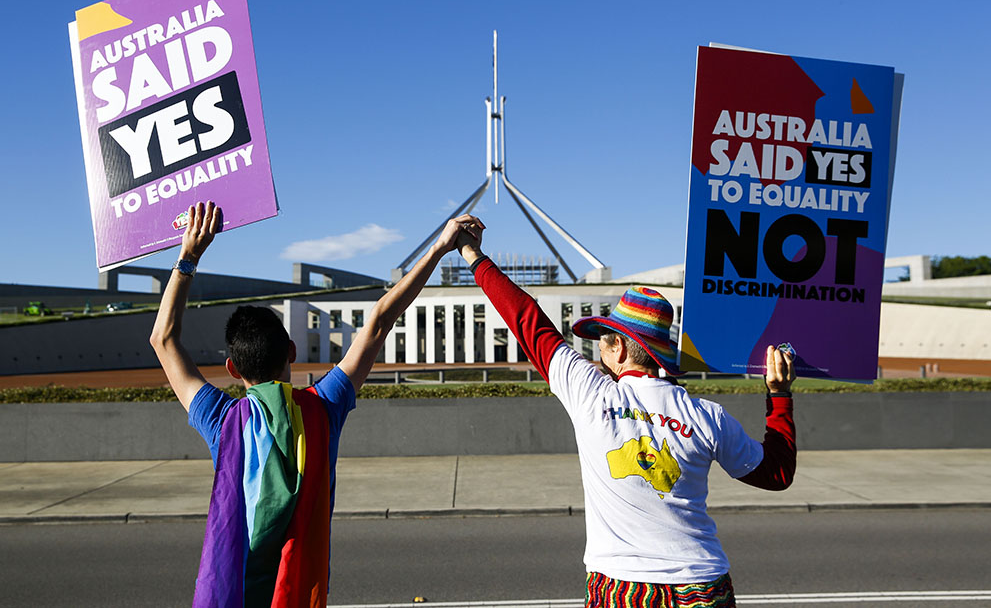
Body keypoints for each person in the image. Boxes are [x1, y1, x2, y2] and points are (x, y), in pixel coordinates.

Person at [454, 217, 795, 608]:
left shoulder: (589, 393)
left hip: (622, 589)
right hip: (703, 584)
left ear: (616, 347)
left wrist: (473, 254)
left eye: (601, 341)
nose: (596, 350)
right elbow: (777, 474)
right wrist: (779, 395)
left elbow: (526, 319)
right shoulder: (708, 416)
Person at [150, 201, 476, 607]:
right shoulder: (323, 410)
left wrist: (188, 256)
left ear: (233, 368)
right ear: (291, 352)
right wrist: (441, 247)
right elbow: (378, 322)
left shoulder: (222, 421)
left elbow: (163, 340)